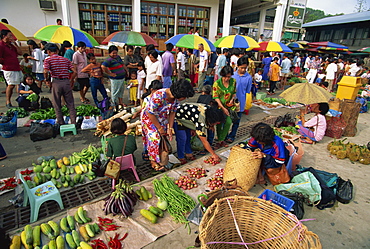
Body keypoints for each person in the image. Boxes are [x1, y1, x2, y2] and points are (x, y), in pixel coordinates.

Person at [141, 79, 194, 171]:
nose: (185, 99)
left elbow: (172, 112)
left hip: (162, 117)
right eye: (185, 97)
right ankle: (153, 160)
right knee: (154, 138)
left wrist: (170, 127)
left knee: (163, 138)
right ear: (179, 94)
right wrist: (159, 128)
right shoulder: (159, 96)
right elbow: (150, 113)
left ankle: (160, 158)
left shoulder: (175, 99)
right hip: (150, 118)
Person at [43, 43, 77, 125]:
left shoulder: (48, 60)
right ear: (57, 51)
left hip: (56, 82)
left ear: (48, 51)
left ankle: (61, 123)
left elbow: (45, 71)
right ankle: (73, 122)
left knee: (57, 104)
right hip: (66, 82)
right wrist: (71, 80)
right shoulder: (65, 60)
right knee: (70, 104)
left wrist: (47, 80)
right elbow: (75, 71)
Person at [226, 56, 252, 143]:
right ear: (237, 66)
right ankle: (224, 135)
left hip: (240, 102)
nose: (244, 70)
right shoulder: (232, 75)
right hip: (229, 101)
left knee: (236, 122)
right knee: (227, 121)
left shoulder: (248, 77)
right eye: (242, 68)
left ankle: (232, 136)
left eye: (245, 68)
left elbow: (248, 90)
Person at [213, 65, 236, 148]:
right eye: (225, 77)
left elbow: (234, 92)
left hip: (229, 106)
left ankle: (221, 139)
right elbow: (216, 97)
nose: (227, 79)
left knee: (228, 122)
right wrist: (222, 107)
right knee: (219, 124)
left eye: (229, 77)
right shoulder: (217, 83)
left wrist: (232, 99)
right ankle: (219, 139)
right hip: (219, 106)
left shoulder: (233, 81)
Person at [0, 30, 23, 108]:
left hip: (16, 66)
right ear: (4, 36)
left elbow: (20, 53)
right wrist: (4, 62)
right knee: (11, 85)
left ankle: (20, 99)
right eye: (9, 36)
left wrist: (15, 43)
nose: (11, 37)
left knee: (19, 83)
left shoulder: (11, 45)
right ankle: (8, 101)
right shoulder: (1, 45)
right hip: (8, 68)